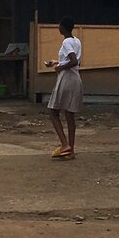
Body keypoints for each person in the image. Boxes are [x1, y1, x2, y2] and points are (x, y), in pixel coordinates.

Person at [45, 17, 82, 160]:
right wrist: (56, 62)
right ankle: (70, 150)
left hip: (66, 78)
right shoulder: (77, 41)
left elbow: (73, 61)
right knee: (69, 114)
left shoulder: (66, 41)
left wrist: (60, 67)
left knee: (53, 112)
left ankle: (65, 144)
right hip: (75, 78)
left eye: (60, 25)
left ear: (64, 28)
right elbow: (74, 60)